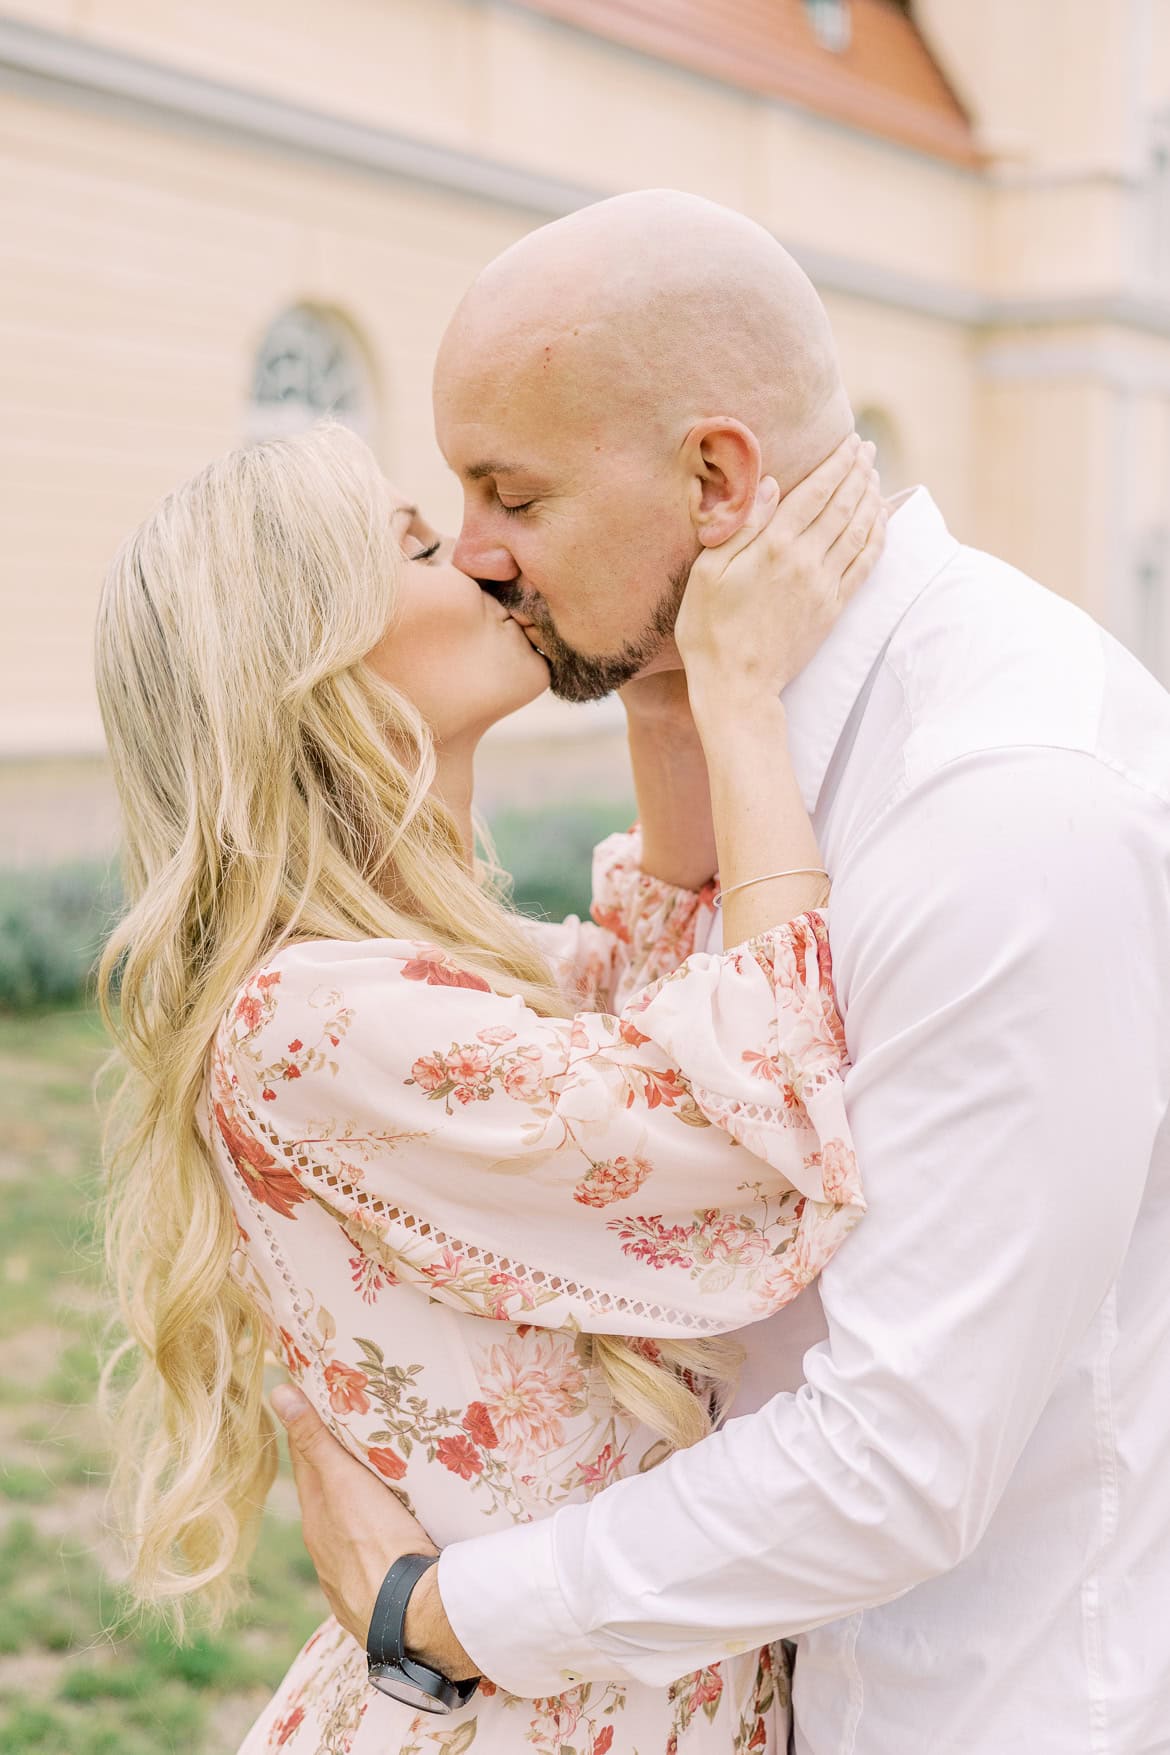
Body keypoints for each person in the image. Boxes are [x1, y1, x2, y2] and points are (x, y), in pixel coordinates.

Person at [273, 191, 1170, 1755]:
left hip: (973, 1705)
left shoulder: (1005, 807)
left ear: (714, 478)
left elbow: (891, 1463)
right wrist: (681, 693)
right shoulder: (768, 737)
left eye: (512, 496)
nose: (477, 555)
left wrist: (439, 1617)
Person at [94, 418, 885, 1752]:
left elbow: (662, 960)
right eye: (413, 545)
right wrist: (742, 698)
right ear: (310, 665)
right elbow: (743, 1120)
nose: (475, 556)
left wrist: (658, 671)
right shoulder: (312, 1019)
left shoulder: (424, 977)